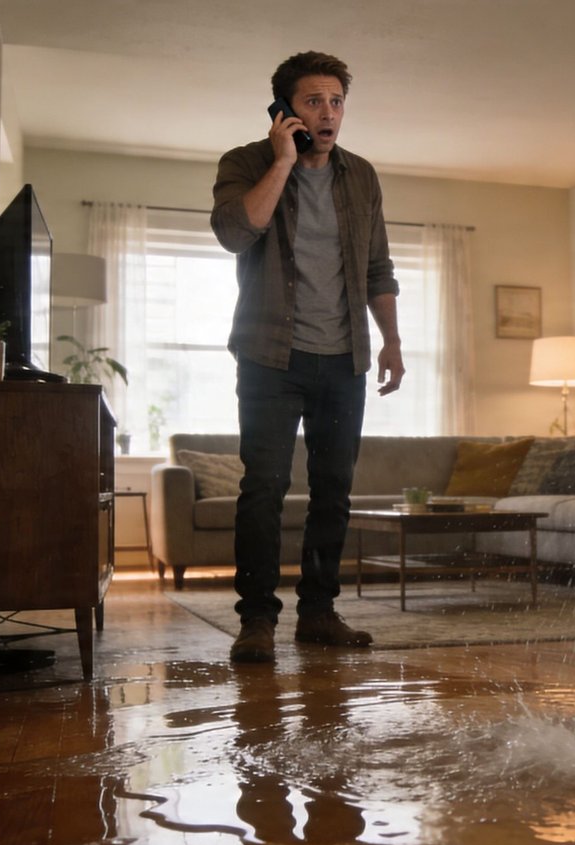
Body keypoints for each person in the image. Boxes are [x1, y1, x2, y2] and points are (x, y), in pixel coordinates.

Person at [210, 51, 404, 663]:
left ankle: (318, 612)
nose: (328, 113)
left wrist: (392, 340)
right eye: (314, 102)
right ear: (285, 110)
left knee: (333, 491)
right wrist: (284, 160)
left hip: (344, 358)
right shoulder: (246, 163)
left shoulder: (362, 176)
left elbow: (377, 267)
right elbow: (237, 232)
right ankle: (257, 621)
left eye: (336, 101)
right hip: (270, 356)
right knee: (263, 488)